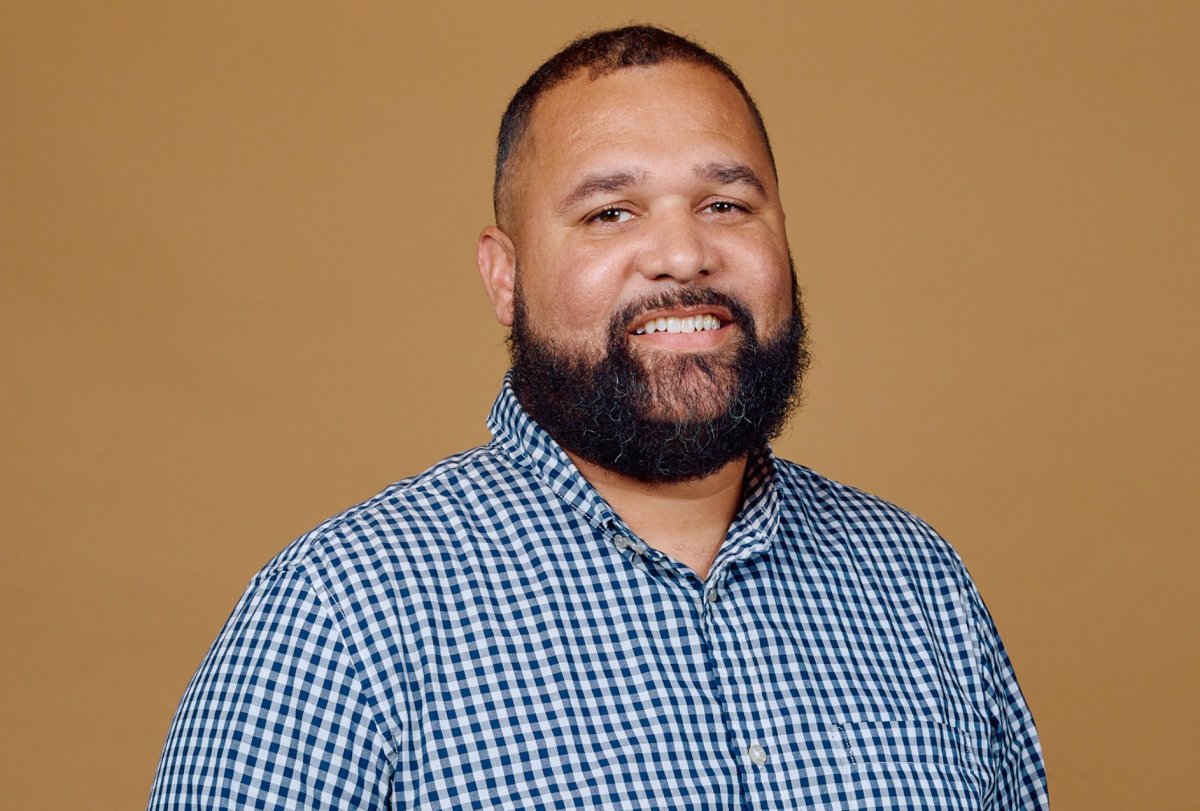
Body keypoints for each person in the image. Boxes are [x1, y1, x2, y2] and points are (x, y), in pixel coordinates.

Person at [148, 25, 1047, 809]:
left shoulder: (920, 586)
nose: (683, 255)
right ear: (505, 276)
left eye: (725, 205)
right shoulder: (341, 616)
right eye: (611, 212)